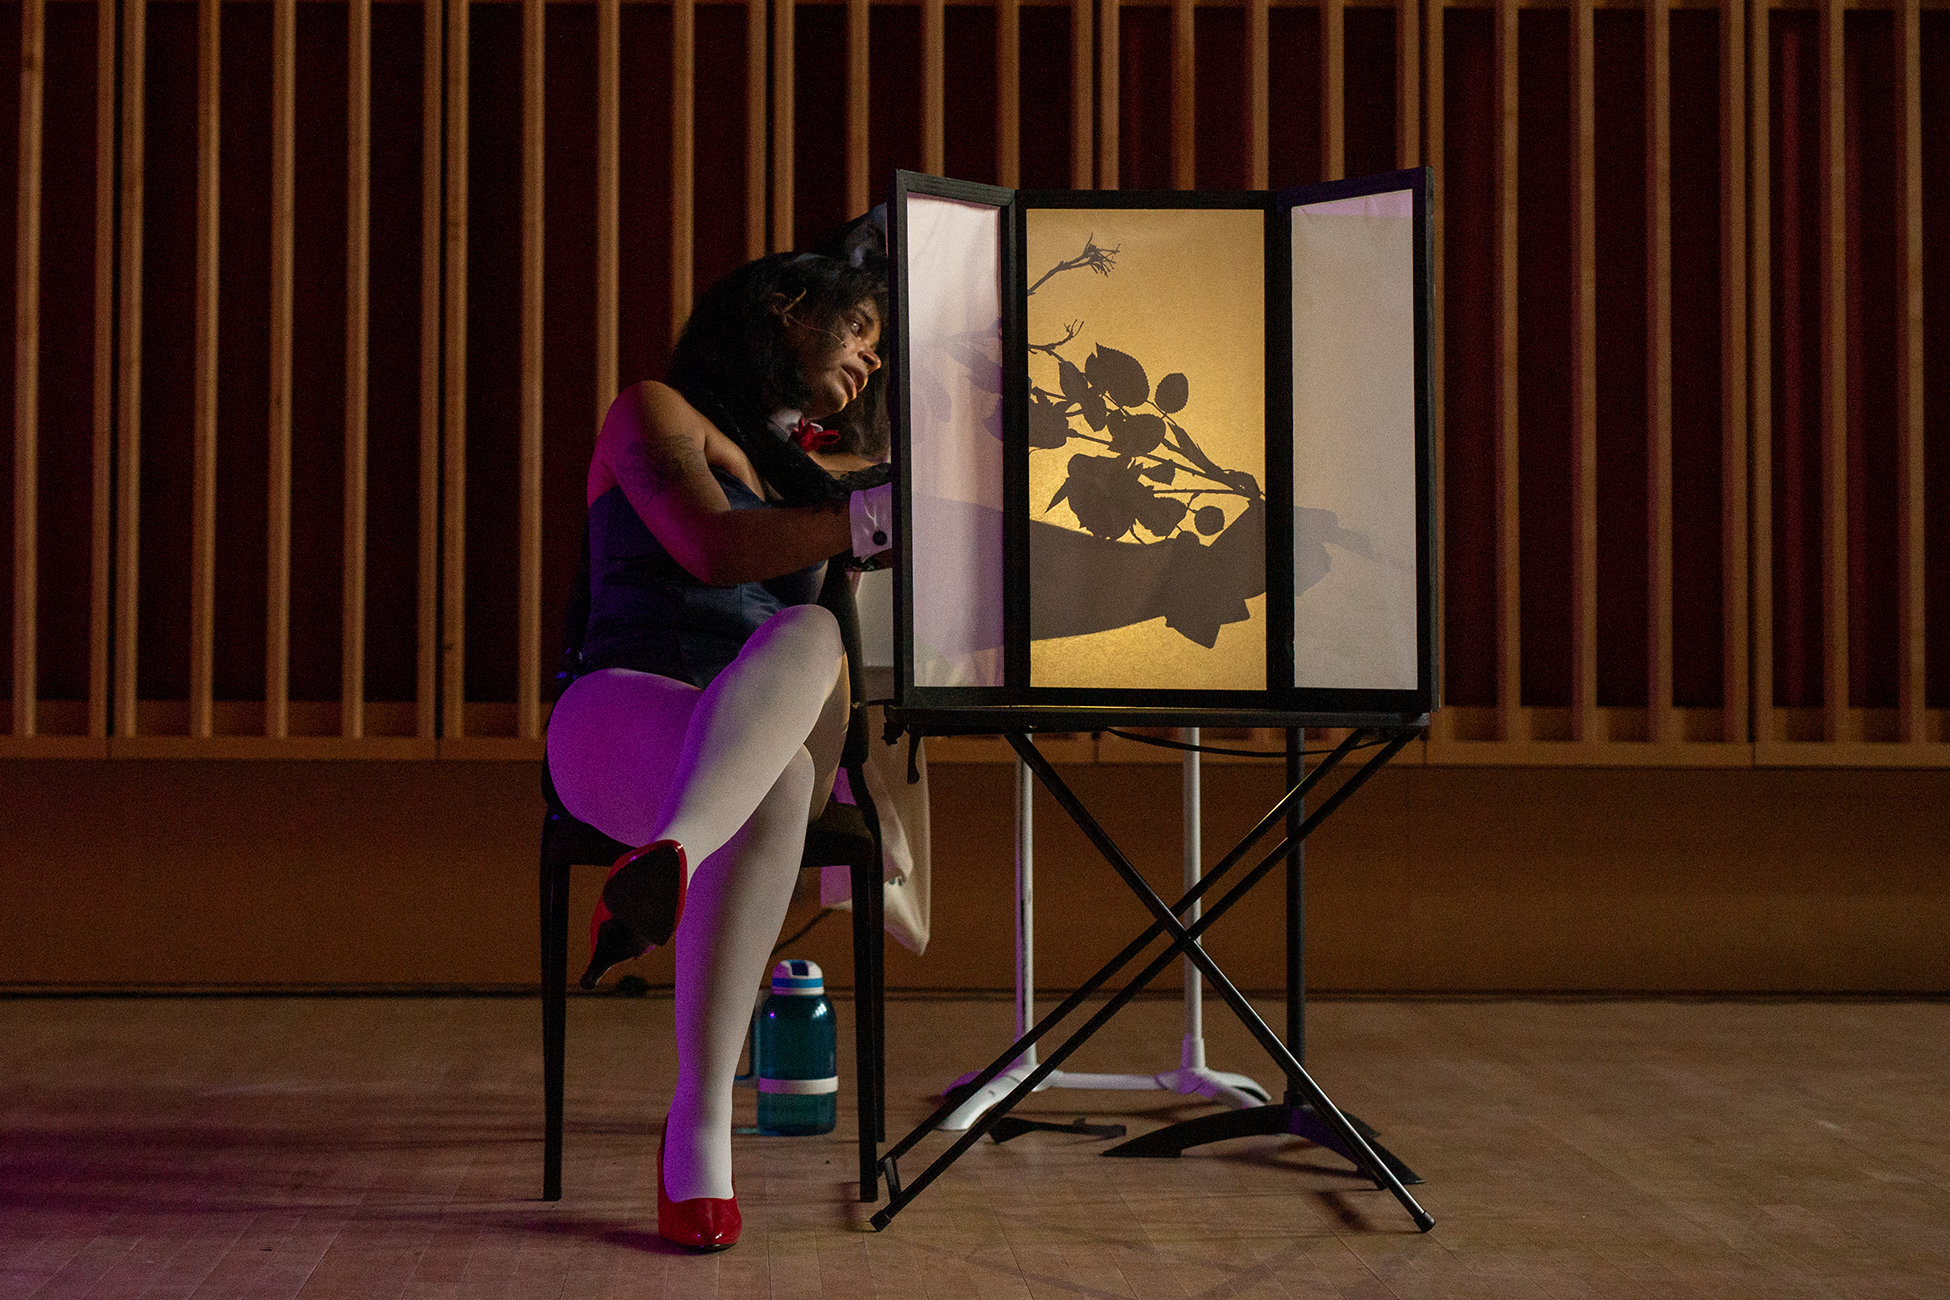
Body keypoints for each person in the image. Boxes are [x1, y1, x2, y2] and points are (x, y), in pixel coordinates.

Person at [544, 244, 893, 1251]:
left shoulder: (805, 474)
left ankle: (671, 858)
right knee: (777, 779)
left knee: (809, 636)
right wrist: (861, 519)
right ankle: (697, 1136)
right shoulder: (652, 411)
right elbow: (707, 546)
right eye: (856, 329)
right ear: (786, 307)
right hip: (624, 712)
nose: (870, 357)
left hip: (753, 733)